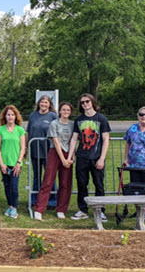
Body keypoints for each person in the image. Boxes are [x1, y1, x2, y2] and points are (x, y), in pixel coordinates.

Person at [67, 93, 111, 221]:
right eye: (82, 102)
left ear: (92, 102)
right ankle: (82, 210)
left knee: (98, 184)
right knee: (82, 184)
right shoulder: (78, 120)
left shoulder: (101, 119)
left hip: (96, 157)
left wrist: (102, 158)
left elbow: (106, 138)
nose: (85, 104)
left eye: (87, 101)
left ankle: (100, 210)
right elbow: (74, 138)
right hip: (82, 157)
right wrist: (71, 156)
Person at [34, 102, 74, 220]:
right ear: (59, 111)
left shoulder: (72, 124)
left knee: (65, 184)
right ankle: (39, 209)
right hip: (55, 153)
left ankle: (61, 209)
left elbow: (73, 141)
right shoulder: (54, 123)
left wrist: (71, 158)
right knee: (48, 181)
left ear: (70, 112)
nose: (66, 112)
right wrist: (62, 159)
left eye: (68, 110)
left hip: (68, 154)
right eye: (63, 110)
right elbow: (55, 141)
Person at [26, 95, 58, 209]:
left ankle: (53, 200)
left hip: (48, 151)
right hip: (35, 150)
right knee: (36, 176)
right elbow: (28, 132)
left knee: (49, 176)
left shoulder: (53, 116)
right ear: (39, 103)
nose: (44, 104)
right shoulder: (33, 115)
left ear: (49, 104)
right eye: (42, 102)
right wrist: (26, 147)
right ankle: (35, 199)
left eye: (46, 102)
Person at [0, 105, 27, 219]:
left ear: (16, 116)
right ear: (5, 116)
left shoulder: (20, 130)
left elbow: (23, 147)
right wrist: (1, 164)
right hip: (4, 163)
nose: (10, 117)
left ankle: (14, 208)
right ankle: (10, 206)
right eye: (8, 114)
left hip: (16, 163)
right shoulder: (0, 129)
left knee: (14, 186)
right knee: (7, 186)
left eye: (12, 115)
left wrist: (18, 162)